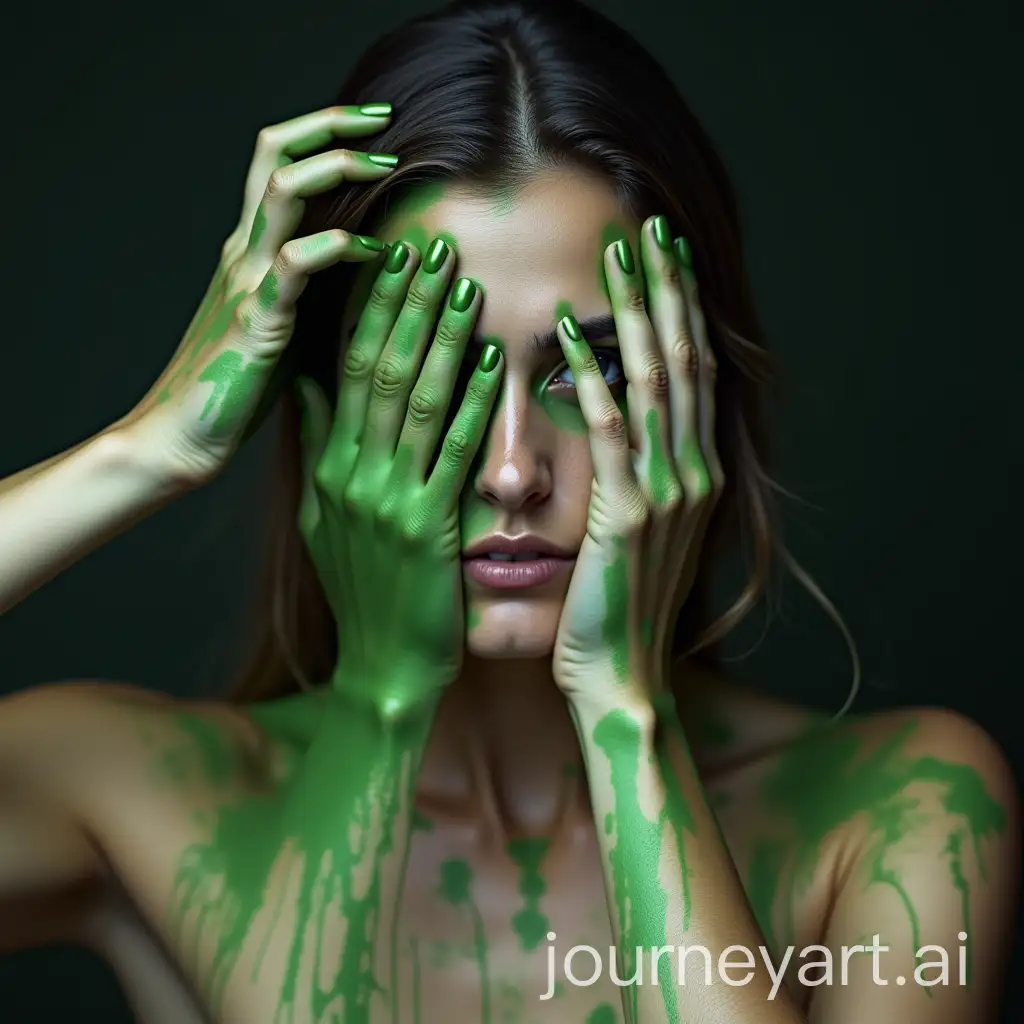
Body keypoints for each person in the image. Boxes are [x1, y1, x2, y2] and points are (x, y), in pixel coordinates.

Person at [0, 0, 1017, 1021]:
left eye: (594, 367)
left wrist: (624, 719)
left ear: (700, 397)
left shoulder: (898, 807)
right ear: (322, 420)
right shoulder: (149, 793)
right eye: (429, 370)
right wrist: (148, 450)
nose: (509, 470)